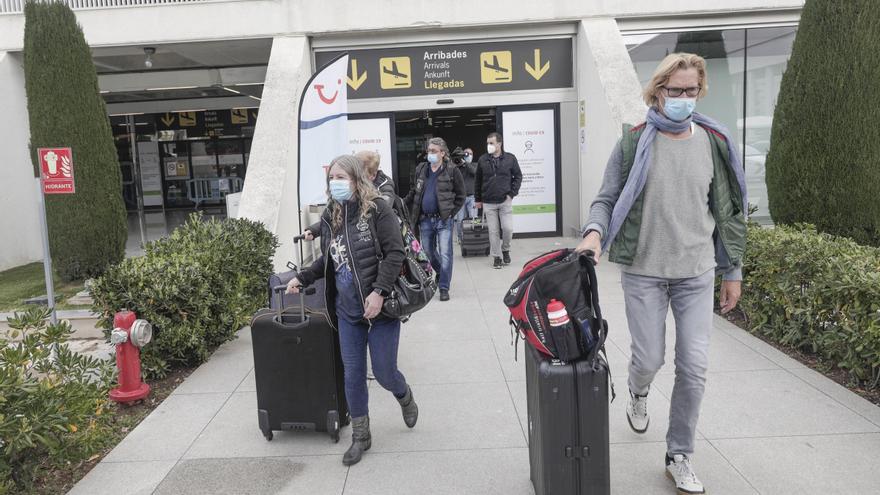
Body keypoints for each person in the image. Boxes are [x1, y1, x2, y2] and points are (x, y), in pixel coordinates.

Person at [576, 53, 747, 495]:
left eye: (692, 91)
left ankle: (679, 454)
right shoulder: (634, 143)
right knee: (649, 357)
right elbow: (607, 196)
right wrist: (595, 233)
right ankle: (638, 390)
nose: (685, 99)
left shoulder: (713, 142)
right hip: (645, 271)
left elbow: (727, 213)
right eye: (676, 92)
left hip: (695, 273)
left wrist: (732, 269)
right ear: (657, 93)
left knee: (694, 367)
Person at [287, 154, 419, 467]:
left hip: (382, 308)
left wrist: (378, 292)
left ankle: (404, 394)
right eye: (332, 177)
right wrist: (302, 276)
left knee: (385, 372)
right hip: (347, 311)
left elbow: (395, 253)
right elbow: (328, 262)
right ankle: (361, 436)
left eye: (342, 177)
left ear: (357, 179)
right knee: (354, 374)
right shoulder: (330, 216)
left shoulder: (377, 209)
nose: (336, 183)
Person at [404, 137, 465, 302]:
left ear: (442, 153)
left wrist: (451, 213)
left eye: (433, 151)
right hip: (425, 220)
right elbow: (414, 192)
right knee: (428, 253)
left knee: (446, 254)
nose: (430, 154)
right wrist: (402, 202)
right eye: (428, 151)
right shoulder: (421, 169)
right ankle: (441, 272)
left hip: (444, 220)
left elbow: (461, 195)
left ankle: (444, 286)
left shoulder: (452, 170)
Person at [304, 150, 402, 241]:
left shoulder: (383, 191)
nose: (357, 176)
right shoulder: (345, 196)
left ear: (372, 175)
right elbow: (337, 217)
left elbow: (379, 212)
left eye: (361, 173)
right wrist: (314, 230)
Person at [475, 132, 522, 269]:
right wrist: (478, 199)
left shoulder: (510, 158)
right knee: (493, 231)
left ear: (499, 144)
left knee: (507, 229)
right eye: (488, 143)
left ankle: (505, 249)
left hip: (504, 201)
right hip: (488, 202)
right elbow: (478, 180)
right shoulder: (483, 160)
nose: (488, 145)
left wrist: (512, 194)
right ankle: (496, 257)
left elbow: (518, 176)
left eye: (491, 143)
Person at [453, 147, 479, 243]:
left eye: (470, 154)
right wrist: (459, 163)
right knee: (460, 220)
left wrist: (466, 163)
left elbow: (474, 173)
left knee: (473, 218)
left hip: (472, 197)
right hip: (461, 198)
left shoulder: (475, 165)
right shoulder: (458, 166)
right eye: (466, 153)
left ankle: (475, 236)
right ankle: (460, 238)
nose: (468, 155)